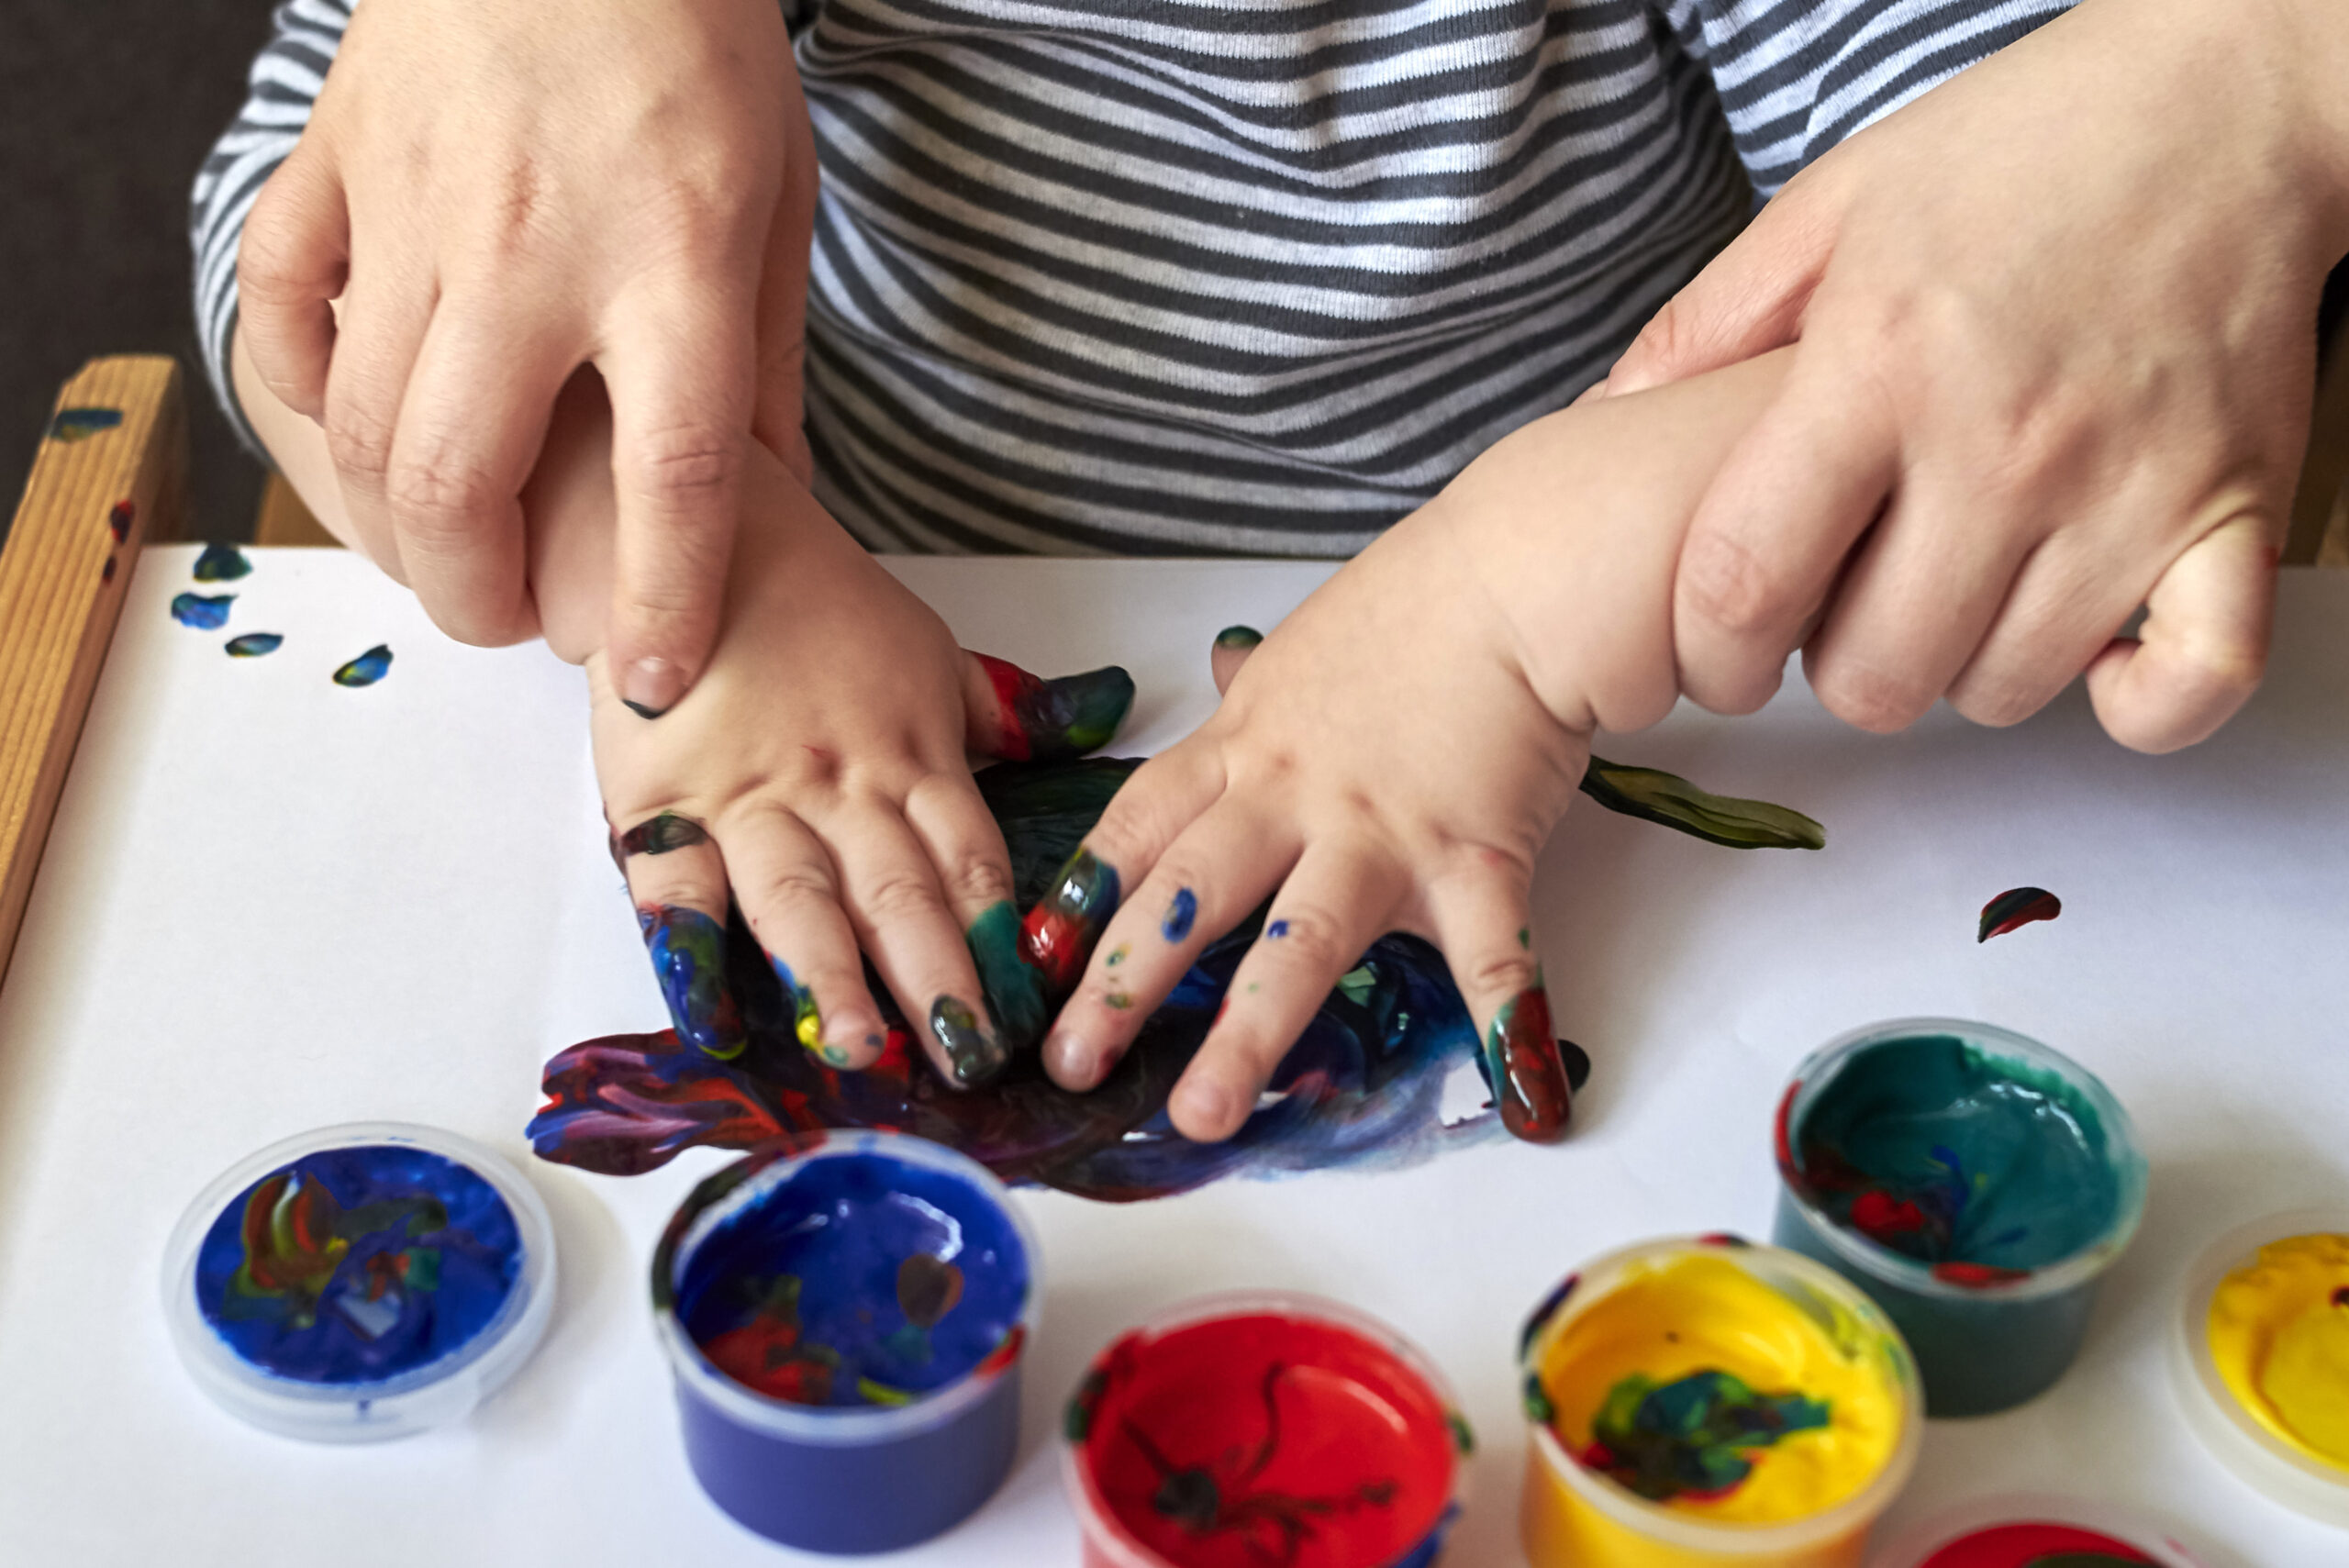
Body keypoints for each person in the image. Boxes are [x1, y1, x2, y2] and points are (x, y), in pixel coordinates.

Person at [192, 0, 2330, 1140]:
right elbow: (312, 236)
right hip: (858, 610)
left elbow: (2022, 327)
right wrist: (660, 542)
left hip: (1577, 672)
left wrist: (1507, 601)